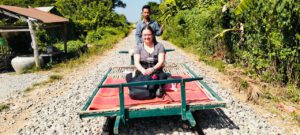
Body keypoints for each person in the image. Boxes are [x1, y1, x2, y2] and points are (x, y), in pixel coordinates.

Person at [127, 25, 167, 98]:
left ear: (153, 35)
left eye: (149, 35)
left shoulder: (159, 46)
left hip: (156, 70)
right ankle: (149, 90)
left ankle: (154, 89)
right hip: (143, 70)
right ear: (142, 36)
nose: (147, 37)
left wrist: (152, 69)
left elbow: (161, 61)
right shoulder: (138, 47)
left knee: (162, 76)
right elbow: (137, 63)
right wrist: (143, 71)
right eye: (145, 35)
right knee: (130, 77)